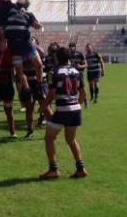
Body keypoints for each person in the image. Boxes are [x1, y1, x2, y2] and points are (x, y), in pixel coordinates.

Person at [39, 47, 88, 180]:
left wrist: (43, 108)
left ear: (56, 57)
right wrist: (75, 103)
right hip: (76, 109)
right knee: (71, 139)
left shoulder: (54, 72)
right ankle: (81, 168)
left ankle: (53, 170)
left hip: (62, 110)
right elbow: (83, 94)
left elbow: (51, 94)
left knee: (49, 138)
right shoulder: (76, 71)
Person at [3, 0, 43, 95]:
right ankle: (27, 89)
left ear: (26, 3)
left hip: (26, 43)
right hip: (14, 44)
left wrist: (38, 25)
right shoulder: (10, 8)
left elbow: (35, 25)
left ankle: (38, 85)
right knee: (19, 72)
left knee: (39, 65)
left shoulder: (29, 14)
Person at [19, 42, 48, 139]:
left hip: (38, 81)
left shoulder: (35, 49)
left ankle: (54, 128)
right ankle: (30, 131)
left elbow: (40, 65)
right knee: (29, 108)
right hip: (28, 82)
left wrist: (38, 83)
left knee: (45, 106)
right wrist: (25, 85)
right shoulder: (20, 51)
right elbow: (20, 70)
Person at [68, 42, 88, 108]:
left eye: (72, 46)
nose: (71, 47)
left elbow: (86, 64)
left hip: (79, 75)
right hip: (70, 75)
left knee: (81, 89)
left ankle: (85, 101)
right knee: (73, 89)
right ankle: (73, 103)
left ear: (75, 47)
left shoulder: (79, 54)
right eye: (70, 46)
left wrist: (80, 66)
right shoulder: (67, 55)